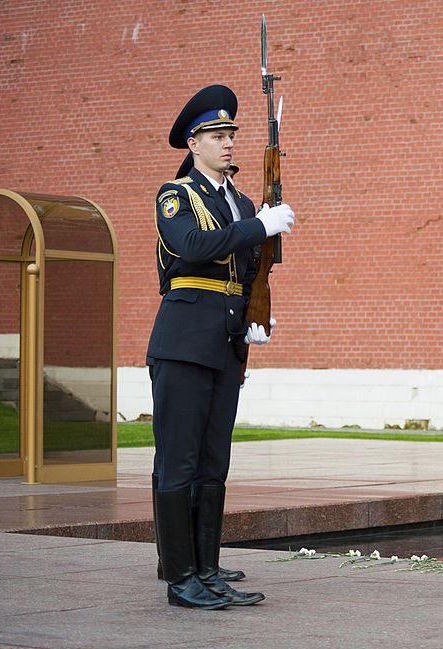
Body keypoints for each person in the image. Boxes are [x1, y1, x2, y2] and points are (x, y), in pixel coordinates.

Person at [148, 84, 295, 609]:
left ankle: (207, 569)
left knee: (214, 463)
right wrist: (257, 227)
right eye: (217, 134)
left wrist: (257, 318)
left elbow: (250, 272)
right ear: (194, 143)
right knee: (179, 461)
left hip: (225, 343)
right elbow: (190, 248)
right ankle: (179, 576)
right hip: (184, 340)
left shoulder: (238, 200)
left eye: (231, 133)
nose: (228, 142)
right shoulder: (176, 195)